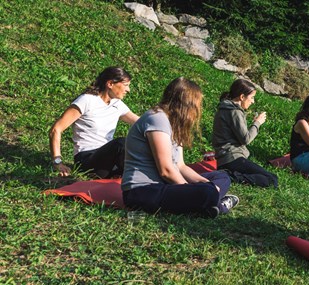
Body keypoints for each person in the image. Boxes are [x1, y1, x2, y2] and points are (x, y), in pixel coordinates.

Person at [122, 77, 238, 218]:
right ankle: (218, 206)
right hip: (143, 190)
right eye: (196, 105)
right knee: (207, 192)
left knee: (222, 177)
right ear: (185, 104)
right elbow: (166, 170)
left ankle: (210, 202)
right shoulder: (157, 119)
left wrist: (206, 183)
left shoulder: (174, 124)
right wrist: (193, 189)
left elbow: (180, 166)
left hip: (165, 185)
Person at [49, 66, 139, 178]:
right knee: (120, 144)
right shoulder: (87, 100)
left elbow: (140, 123)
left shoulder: (117, 104)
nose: (128, 90)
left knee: (135, 145)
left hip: (107, 161)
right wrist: (57, 162)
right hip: (86, 160)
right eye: (126, 85)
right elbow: (56, 129)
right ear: (110, 84)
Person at [212, 79, 278, 188]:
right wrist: (257, 123)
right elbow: (246, 139)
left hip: (225, 158)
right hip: (232, 157)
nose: (253, 101)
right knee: (272, 180)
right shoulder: (234, 111)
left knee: (269, 178)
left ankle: (231, 174)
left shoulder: (226, 108)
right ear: (242, 97)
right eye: (251, 98)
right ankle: (231, 176)